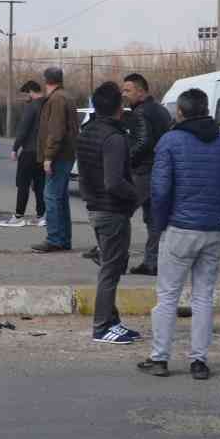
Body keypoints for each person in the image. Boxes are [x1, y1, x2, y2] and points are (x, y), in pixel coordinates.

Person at [138, 88, 220, 380]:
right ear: (207, 109)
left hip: (179, 229)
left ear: (181, 112)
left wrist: (160, 225)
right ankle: (199, 361)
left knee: (167, 296)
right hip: (212, 230)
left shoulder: (170, 141)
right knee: (203, 297)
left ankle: (159, 358)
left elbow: (160, 190)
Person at [78, 81, 142, 344]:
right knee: (111, 270)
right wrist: (137, 195)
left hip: (96, 207)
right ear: (120, 108)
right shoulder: (114, 138)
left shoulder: (87, 131)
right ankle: (102, 327)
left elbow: (83, 175)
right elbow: (114, 182)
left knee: (110, 266)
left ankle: (112, 322)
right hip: (111, 211)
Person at [121, 73, 173, 276]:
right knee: (154, 220)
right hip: (159, 171)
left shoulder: (140, 113)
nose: (124, 94)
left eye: (128, 90)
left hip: (143, 172)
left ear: (141, 92)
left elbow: (143, 143)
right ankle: (151, 263)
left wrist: (126, 160)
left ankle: (113, 258)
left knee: (120, 214)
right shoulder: (161, 110)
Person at [31, 67, 78, 252]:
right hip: (65, 155)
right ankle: (63, 239)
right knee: (60, 199)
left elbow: (56, 131)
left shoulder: (56, 99)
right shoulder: (66, 97)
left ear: (46, 81)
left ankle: (55, 239)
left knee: (51, 197)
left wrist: (48, 156)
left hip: (58, 156)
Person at [2, 81, 46, 228]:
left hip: (28, 151)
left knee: (23, 184)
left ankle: (19, 216)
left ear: (30, 92)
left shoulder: (31, 106)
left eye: (25, 95)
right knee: (40, 185)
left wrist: (15, 148)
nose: (24, 98)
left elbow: (23, 129)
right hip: (43, 152)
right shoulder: (48, 104)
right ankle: (42, 216)